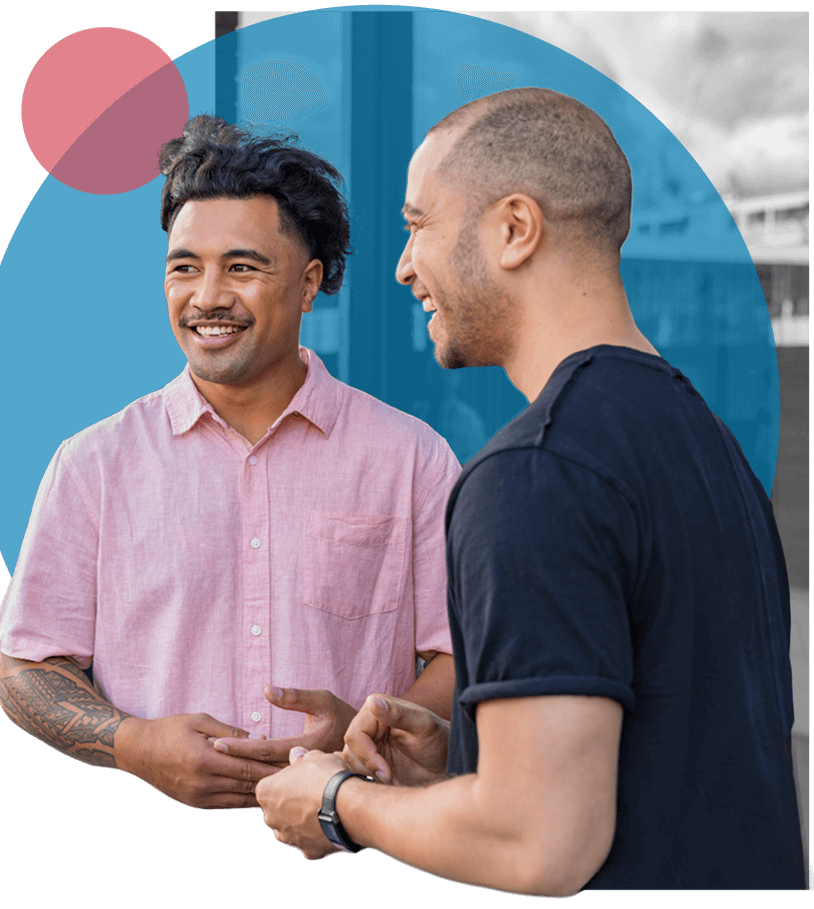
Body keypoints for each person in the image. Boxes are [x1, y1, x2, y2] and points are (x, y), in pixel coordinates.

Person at [249, 87, 806, 891]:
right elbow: (677, 738)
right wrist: (471, 747)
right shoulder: (705, 441)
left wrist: (336, 800)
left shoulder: (534, 475)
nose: (405, 266)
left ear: (514, 229)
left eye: (417, 225)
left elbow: (537, 842)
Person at [0, 115, 459, 810]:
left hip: (353, 835)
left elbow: (460, 652)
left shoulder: (412, 458)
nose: (207, 297)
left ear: (309, 283)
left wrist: (370, 731)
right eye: (185, 268)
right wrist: (132, 742)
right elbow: (25, 667)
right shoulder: (93, 462)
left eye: (241, 267)